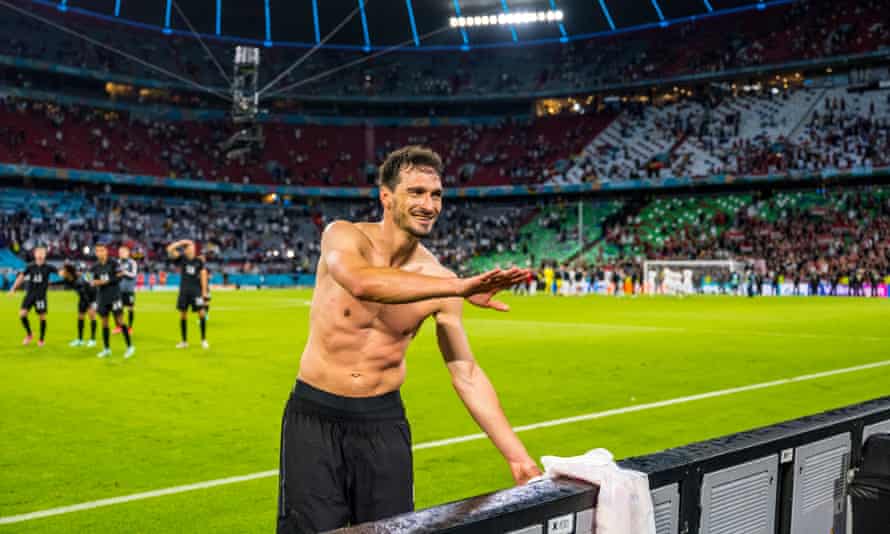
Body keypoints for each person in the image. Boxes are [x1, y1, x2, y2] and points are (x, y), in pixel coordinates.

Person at [277, 146, 540, 534]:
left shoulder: (439, 278)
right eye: (416, 192)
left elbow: (465, 372)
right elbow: (362, 282)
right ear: (386, 197)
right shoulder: (343, 236)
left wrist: (518, 458)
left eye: (436, 195)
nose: (429, 204)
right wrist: (458, 286)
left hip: (383, 424)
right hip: (315, 416)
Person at [90, 242, 135, 359]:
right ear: (96, 253)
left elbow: (120, 277)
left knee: (120, 321)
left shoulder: (114, 263)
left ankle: (130, 347)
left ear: (106, 251)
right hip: (102, 298)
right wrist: (94, 282)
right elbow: (93, 280)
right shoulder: (94, 267)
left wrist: (106, 281)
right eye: (98, 251)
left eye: (102, 250)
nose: (100, 253)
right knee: (104, 323)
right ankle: (106, 349)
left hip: (115, 297)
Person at [7, 244, 54, 346]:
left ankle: (41, 339)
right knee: (22, 314)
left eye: (42, 252)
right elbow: (21, 277)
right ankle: (29, 334)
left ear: (45, 254)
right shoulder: (30, 266)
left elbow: (60, 272)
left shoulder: (49, 267)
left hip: (41, 296)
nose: (40, 254)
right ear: (34, 254)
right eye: (38, 252)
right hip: (30, 295)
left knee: (42, 317)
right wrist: (13, 288)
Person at [166, 239, 209, 349]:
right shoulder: (182, 259)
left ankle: (203, 340)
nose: (192, 249)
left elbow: (204, 275)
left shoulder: (199, 261)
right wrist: (181, 243)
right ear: (186, 250)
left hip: (196, 291)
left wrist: (204, 292)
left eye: (193, 247)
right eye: (190, 247)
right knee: (183, 315)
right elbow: (169, 250)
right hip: (184, 291)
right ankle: (184, 341)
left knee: (202, 313)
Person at [60, 263, 98, 347]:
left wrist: (91, 306)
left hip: (92, 297)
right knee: (80, 317)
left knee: (92, 316)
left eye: (63, 270)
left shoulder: (79, 282)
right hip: (83, 297)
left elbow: (85, 294)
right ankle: (80, 340)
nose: (61, 271)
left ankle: (93, 340)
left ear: (68, 272)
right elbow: (62, 281)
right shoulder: (69, 278)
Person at [114, 245, 138, 334]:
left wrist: (124, 272)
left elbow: (134, 275)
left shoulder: (132, 263)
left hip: (129, 290)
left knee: (130, 308)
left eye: (123, 252)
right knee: (117, 308)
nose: (121, 254)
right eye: (119, 252)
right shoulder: (117, 262)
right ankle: (118, 327)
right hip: (118, 290)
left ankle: (130, 328)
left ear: (128, 253)